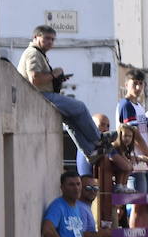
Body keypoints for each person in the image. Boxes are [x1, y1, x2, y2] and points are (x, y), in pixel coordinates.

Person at [18, 26, 110, 163]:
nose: (50, 42)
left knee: (70, 119)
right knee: (80, 107)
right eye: (47, 38)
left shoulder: (39, 54)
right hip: (39, 95)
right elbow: (35, 79)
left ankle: (90, 151)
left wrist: (57, 79)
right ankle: (98, 139)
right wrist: (54, 73)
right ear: (35, 37)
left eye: (52, 39)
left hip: (38, 95)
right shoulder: (33, 53)